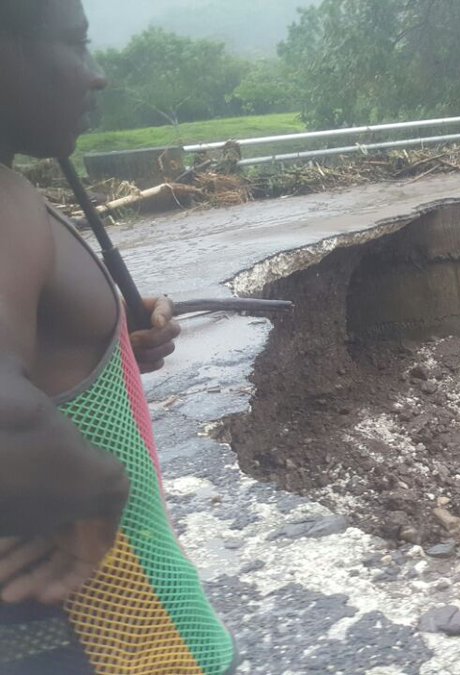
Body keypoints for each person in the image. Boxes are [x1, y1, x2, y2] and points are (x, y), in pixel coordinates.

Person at [0, 1, 236, 673]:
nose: (94, 76)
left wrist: (108, 343)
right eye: (74, 45)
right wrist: (97, 493)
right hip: (117, 631)